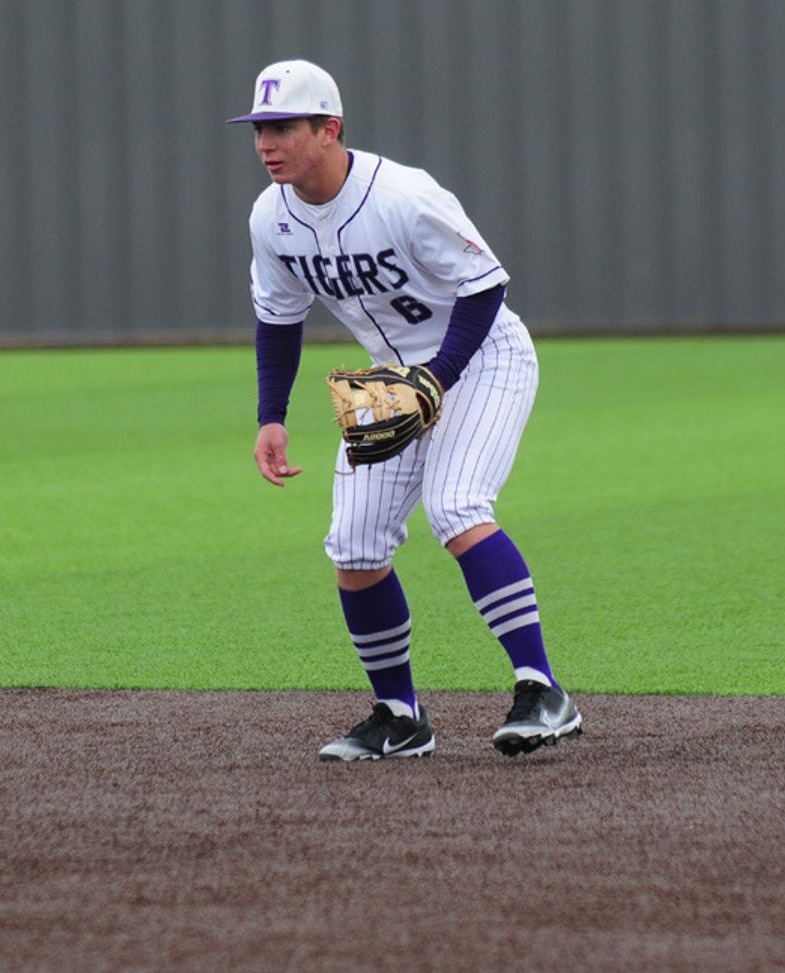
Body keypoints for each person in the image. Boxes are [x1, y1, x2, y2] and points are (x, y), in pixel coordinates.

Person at [228, 59, 582, 761]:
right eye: (260, 128)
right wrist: (272, 415)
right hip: (392, 379)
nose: (267, 141)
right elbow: (278, 318)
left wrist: (437, 380)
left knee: (456, 507)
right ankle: (399, 713)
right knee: (354, 543)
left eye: (283, 126)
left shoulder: (402, 195)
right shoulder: (271, 218)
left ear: (329, 129)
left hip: (481, 358)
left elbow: (485, 286)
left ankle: (542, 690)